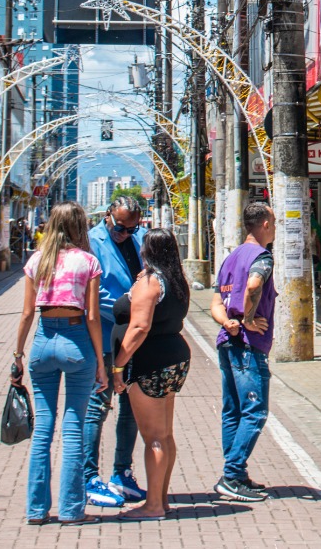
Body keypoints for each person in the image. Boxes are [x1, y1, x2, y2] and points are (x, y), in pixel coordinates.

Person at [11, 201, 105, 525]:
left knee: (43, 429)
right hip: (76, 340)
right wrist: (101, 363)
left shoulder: (37, 260)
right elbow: (92, 317)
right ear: (80, 226)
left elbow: (27, 313)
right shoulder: (88, 262)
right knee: (74, 426)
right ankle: (71, 509)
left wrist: (18, 355)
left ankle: (36, 510)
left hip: (42, 339)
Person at [111, 228, 192, 519]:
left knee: (154, 438)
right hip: (174, 358)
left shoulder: (151, 281)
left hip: (150, 362)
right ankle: (161, 499)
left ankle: (154, 504)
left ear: (148, 251)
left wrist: (119, 364)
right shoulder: (176, 280)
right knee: (165, 434)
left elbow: (139, 327)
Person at [209, 200, 277, 504]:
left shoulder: (230, 258)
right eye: (273, 223)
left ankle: (235, 472)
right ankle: (232, 475)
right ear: (265, 225)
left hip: (227, 341)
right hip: (249, 346)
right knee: (255, 410)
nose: (274, 229)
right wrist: (248, 319)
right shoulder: (262, 257)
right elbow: (253, 285)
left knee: (233, 410)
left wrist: (227, 321)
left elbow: (215, 303)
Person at [83, 195, 149, 508]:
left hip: (133, 339)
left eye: (131, 229)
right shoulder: (92, 242)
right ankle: (88, 476)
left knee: (131, 406)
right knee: (98, 405)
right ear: (108, 215)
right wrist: (133, 311)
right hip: (107, 336)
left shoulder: (139, 239)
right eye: (120, 227)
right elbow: (94, 296)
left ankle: (122, 472)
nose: (124, 234)